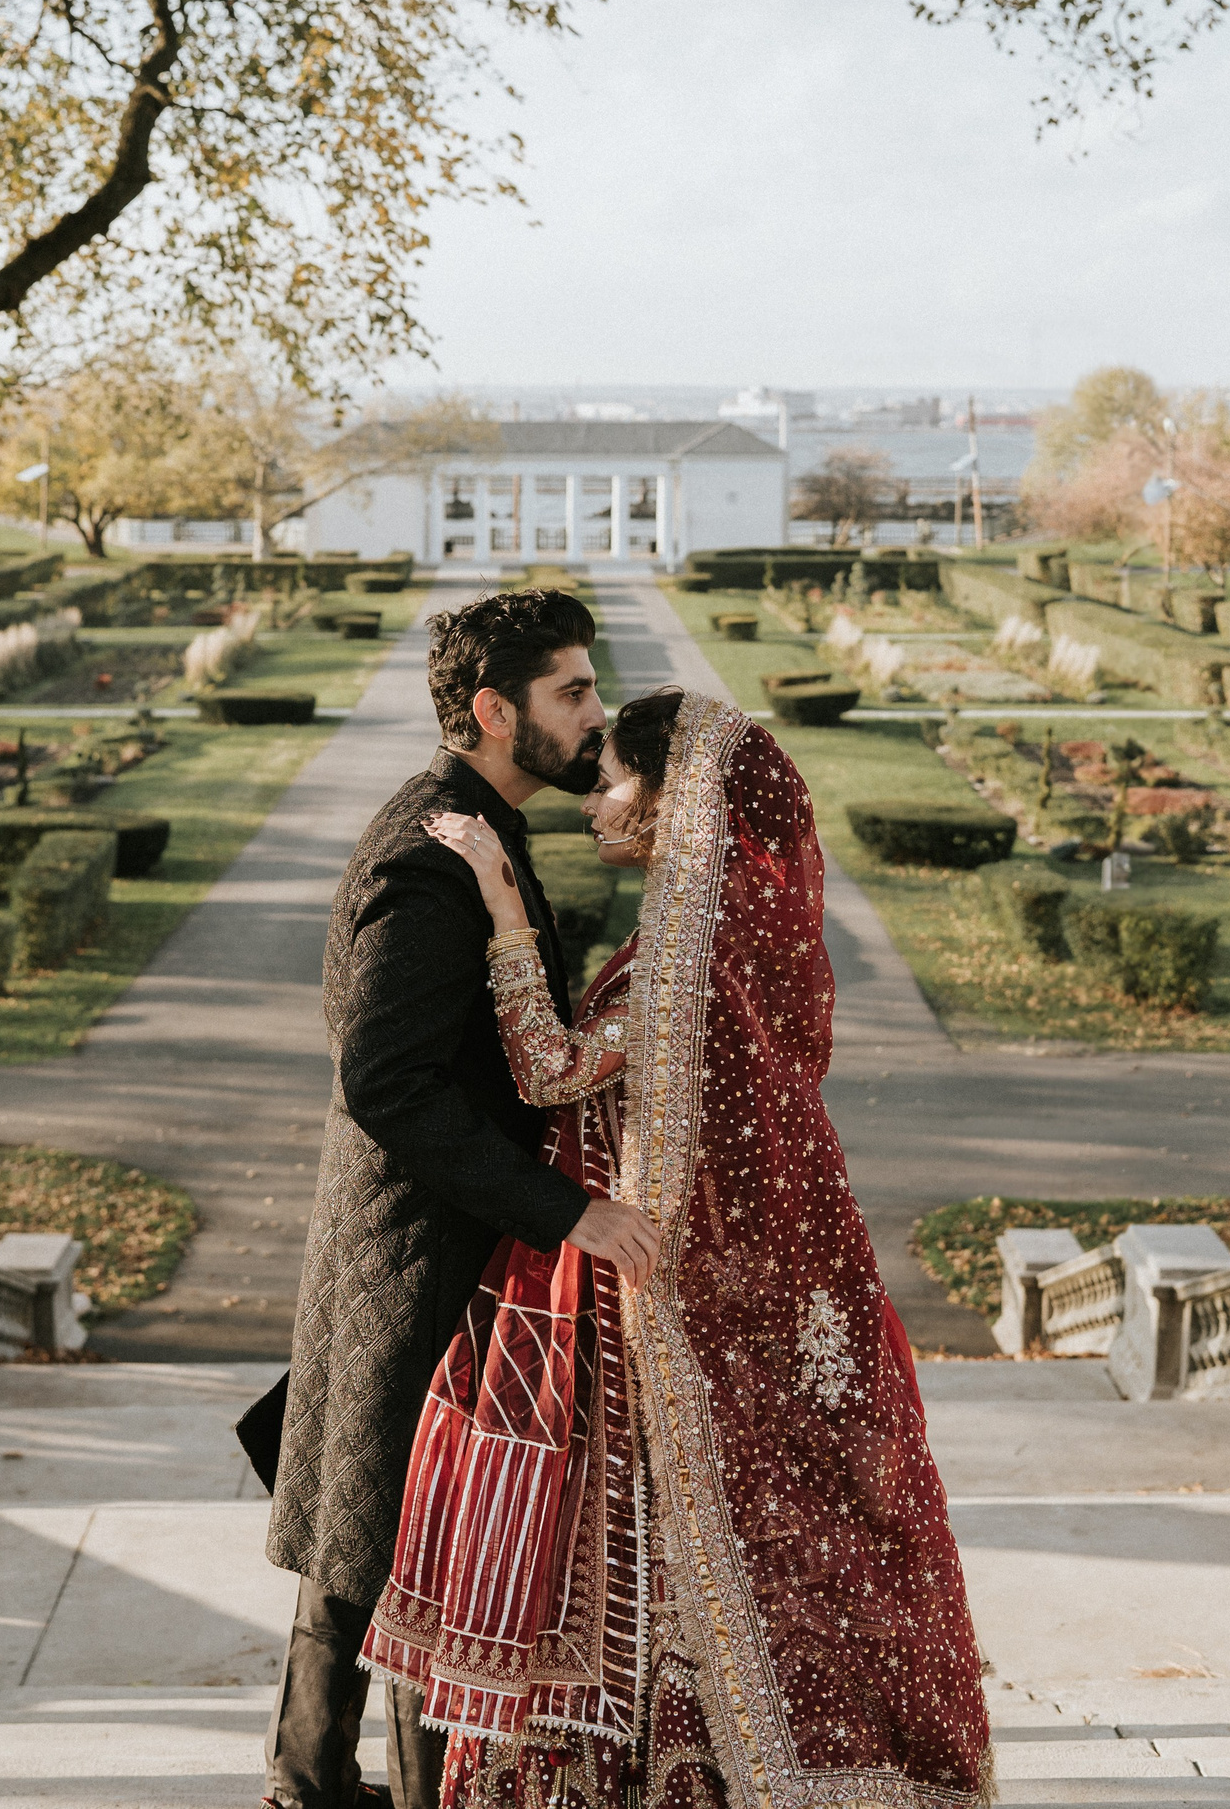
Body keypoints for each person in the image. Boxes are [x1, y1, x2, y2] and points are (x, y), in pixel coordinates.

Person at [363, 687, 995, 1809]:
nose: (594, 801)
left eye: (613, 780)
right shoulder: (721, 947)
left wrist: (503, 902)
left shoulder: (678, 965)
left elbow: (550, 1069)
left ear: (673, 800)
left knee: (660, 1536)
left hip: (644, 1294)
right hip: (684, 1288)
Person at [264, 589, 666, 1809]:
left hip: (437, 1235)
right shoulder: (429, 851)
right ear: (495, 711)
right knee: (391, 1538)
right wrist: (562, 1208)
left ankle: (316, 1781)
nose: (594, 715)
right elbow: (386, 1080)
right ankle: (322, 1785)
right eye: (572, 691)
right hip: (417, 1244)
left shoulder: (473, 824)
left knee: (389, 1536)